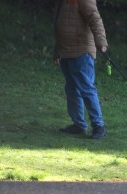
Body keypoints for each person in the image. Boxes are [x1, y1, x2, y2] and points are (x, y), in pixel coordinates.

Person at [53, 0, 108, 140]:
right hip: (65, 51)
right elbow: (60, 24)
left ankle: (98, 126)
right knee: (71, 89)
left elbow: (95, 18)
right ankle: (79, 124)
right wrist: (57, 50)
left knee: (86, 88)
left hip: (82, 52)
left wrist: (101, 42)